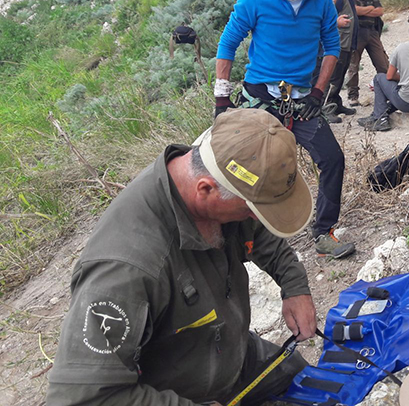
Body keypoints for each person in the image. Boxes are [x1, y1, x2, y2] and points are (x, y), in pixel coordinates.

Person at [47, 109, 317, 405]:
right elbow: (82, 398)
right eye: (250, 210)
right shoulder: (125, 270)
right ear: (206, 190)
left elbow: (256, 229)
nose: (253, 219)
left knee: (313, 386)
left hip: (231, 356)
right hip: (176, 393)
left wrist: (295, 286)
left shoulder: (220, 169)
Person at [214, 0, 356, 258]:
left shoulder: (321, 0)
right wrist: (222, 97)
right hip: (260, 96)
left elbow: (332, 47)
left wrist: (318, 94)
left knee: (332, 159)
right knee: (244, 165)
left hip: (301, 100)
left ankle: (323, 233)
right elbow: (228, 41)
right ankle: (241, 238)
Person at [358, 9, 409, 132]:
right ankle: (378, 114)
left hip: (405, 103)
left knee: (378, 78)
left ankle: (380, 118)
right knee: (405, 87)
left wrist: (404, 77)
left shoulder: (401, 48)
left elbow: (389, 76)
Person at [311, 0, 356, 123]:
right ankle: (321, 112)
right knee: (318, 80)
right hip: (311, 50)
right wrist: (335, 23)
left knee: (325, 77)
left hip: (322, 47)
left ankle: (325, 109)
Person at [345, 0, 389, 106]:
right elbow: (354, 10)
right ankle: (353, 95)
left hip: (372, 32)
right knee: (353, 65)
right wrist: (371, 8)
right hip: (357, 33)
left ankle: (386, 91)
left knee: (382, 63)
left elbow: (380, 11)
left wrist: (364, 10)